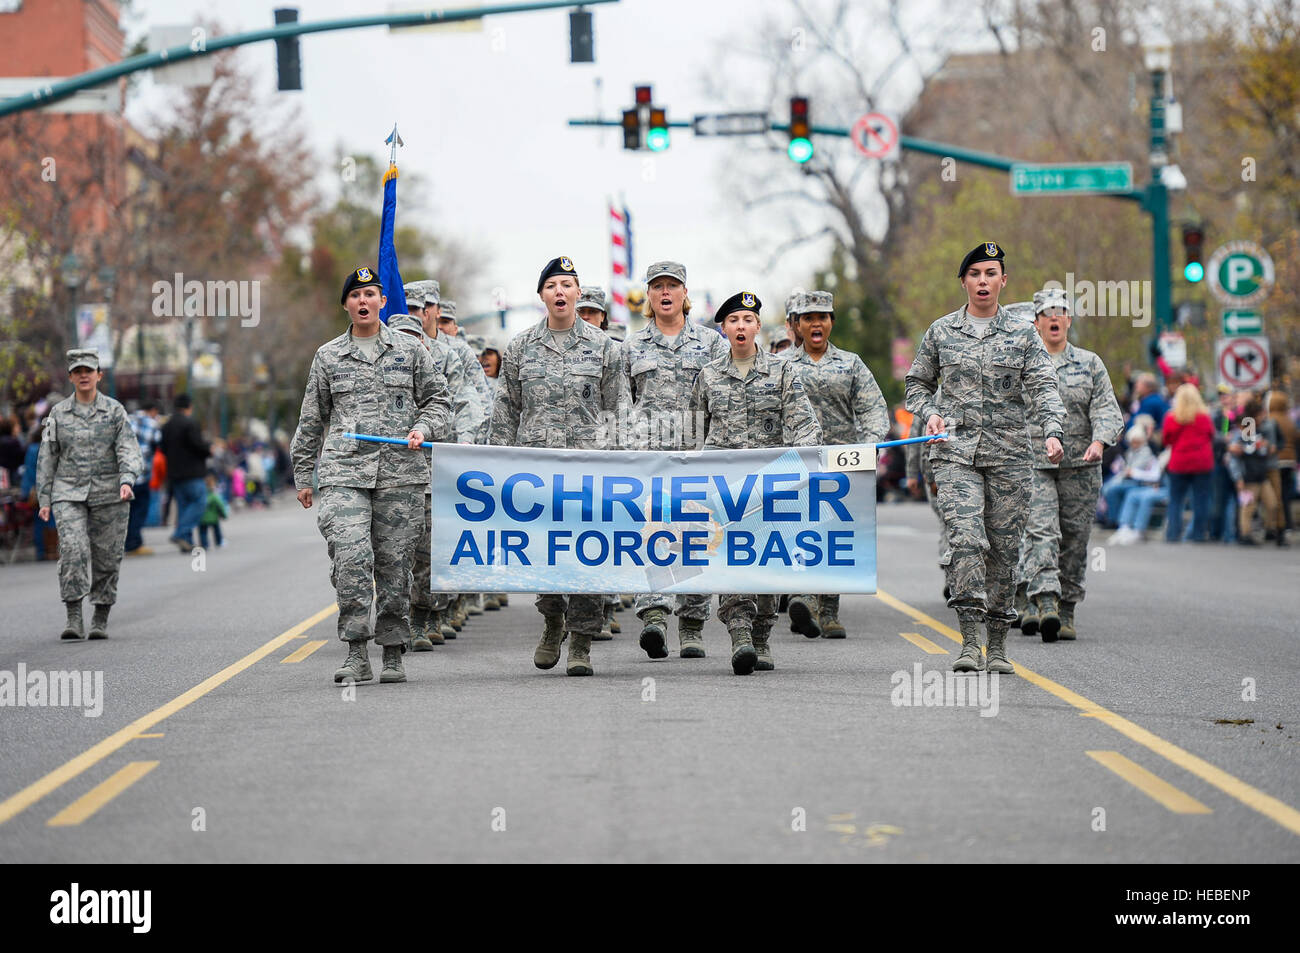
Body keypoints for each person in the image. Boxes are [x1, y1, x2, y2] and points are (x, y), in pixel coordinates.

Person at [905, 242, 1065, 676]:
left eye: (990, 273)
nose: (982, 281)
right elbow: (916, 385)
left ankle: (997, 645)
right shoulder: (941, 332)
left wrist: (1052, 430)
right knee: (966, 542)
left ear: (1003, 281)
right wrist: (930, 411)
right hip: (955, 455)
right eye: (974, 273)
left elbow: (1045, 385)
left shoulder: (1022, 333)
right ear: (963, 281)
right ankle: (969, 640)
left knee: (1004, 550)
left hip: (1011, 455)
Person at [291, 266, 452, 685]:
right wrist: (304, 475)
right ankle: (357, 651)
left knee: (395, 565)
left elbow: (439, 402)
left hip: (401, 474)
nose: (363, 301)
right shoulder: (328, 356)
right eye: (355, 295)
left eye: (370, 294)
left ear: (383, 301)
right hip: (345, 473)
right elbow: (312, 419)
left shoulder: (411, 351)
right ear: (346, 304)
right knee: (351, 558)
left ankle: (394, 650)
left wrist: (424, 428)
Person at [488, 256, 629, 676]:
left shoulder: (606, 349)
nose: (561, 292)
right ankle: (552, 622)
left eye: (568, 284)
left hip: (591, 471)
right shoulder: (520, 347)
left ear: (579, 293)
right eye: (553, 286)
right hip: (537, 472)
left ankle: (582, 642)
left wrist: (621, 465)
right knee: (545, 556)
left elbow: (618, 408)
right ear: (542, 296)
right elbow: (505, 410)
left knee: (588, 555)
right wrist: (494, 463)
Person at [690, 291, 821, 674]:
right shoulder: (709, 375)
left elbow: (805, 425)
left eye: (747, 320)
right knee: (732, 560)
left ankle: (762, 635)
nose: (741, 327)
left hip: (771, 486)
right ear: (724, 328)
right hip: (724, 488)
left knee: (766, 562)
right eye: (733, 321)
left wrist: (801, 464)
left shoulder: (782, 372)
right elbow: (694, 433)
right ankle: (741, 634)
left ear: (758, 327)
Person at [622, 261, 728, 661]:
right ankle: (653, 614)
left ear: (686, 293)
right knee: (652, 533)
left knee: (695, 537)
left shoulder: (712, 344)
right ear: (648, 296)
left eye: (673, 286)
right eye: (657, 287)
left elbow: (726, 398)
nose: (665, 293)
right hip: (647, 459)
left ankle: (692, 624)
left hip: (699, 456)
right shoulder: (631, 347)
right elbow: (619, 401)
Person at [1013, 288, 1123, 642]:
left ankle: (1067, 608)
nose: (1055, 317)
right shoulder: (1023, 363)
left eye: (1061, 311)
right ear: (1037, 322)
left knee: (1074, 541)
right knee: (1042, 533)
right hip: (1034, 464)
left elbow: (1106, 408)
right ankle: (1044, 600)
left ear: (1069, 320)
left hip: (1082, 467)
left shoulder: (1090, 363)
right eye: (1048, 312)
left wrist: (1098, 442)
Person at [783, 290, 889, 638]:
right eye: (809, 318)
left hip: (842, 464)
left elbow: (874, 409)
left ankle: (829, 610)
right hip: (799, 461)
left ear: (831, 323)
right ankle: (804, 598)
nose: (816, 324)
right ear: (797, 325)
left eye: (823, 317)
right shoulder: (784, 366)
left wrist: (871, 444)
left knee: (834, 534)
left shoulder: (851, 364)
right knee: (803, 528)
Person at [36, 349, 143, 640]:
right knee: (72, 549)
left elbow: (129, 449)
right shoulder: (57, 415)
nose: (84, 375)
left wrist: (127, 479)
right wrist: (44, 499)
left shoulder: (115, 411)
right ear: (71, 376)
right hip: (68, 491)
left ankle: (100, 615)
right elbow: (47, 457)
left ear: (99, 375)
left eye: (89, 370)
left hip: (110, 492)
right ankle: (73, 615)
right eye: (78, 371)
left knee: (107, 556)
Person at [388, 303, 465, 650]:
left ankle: (422, 617)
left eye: (414, 339)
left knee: (429, 552)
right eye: (400, 338)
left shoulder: (435, 371)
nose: (408, 345)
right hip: (386, 478)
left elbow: (458, 410)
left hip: (434, 474)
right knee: (391, 555)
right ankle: (394, 618)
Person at [1161, 383, 1215, 542]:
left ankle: (1173, 534)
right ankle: (1198, 534)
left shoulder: (1171, 418)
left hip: (1179, 462)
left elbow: (1166, 440)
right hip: (1202, 462)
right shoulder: (1204, 417)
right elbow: (1211, 435)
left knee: (1176, 500)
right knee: (1201, 500)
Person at [160, 393, 210, 553]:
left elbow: (162, 448)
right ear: (189, 407)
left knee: (183, 506)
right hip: (193, 472)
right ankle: (181, 533)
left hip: (174, 472)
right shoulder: (190, 423)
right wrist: (209, 450)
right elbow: (198, 445)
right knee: (199, 502)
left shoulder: (166, 425)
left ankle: (186, 541)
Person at [1230, 396, 1283, 546]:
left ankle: (1269, 529)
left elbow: (1261, 450)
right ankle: (1245, 534)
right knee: (1248, 507)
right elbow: (1235, 457)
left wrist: (1266, 447)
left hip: (1261, 475)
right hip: (1249, 477)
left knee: (1272, 503)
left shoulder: (1259, 431)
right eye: (1260, 415)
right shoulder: (1243, 433)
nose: (1263, 418)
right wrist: (1238, 478)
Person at [125, 401, 161, 556]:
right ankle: (134, 543)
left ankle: (127, 541)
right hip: (142, 473)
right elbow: (157, 445)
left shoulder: (127, 419)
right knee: (140, 509)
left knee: (127, 511)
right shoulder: (152, 424)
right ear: (153, 410)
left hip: (124, 475)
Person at [21, 422, 56, 561]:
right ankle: (52, 550)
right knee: (51, 519)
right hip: (48, 488)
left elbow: (29, 471)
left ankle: (41, 551)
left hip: (33, 490)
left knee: (39, 519)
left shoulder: (31, 448)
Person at [1267, 391, 1296, 542]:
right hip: (1289, 462)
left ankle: (1277, 526)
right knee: (1286, 495)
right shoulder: (1289, 421)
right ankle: (1288, 524)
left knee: (1276, 496)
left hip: (1275, 462)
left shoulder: (1269, 420)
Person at [198, 473, 229, 549]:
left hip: (202, 518)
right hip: (214, 518)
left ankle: (204, 544)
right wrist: (224, 515)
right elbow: (220, 505)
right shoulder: (214, 496)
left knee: (203, 532)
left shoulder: (199, 497)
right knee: (217, 531)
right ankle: (219, 542)